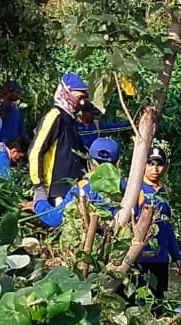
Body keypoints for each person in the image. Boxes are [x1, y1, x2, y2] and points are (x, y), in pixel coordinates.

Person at [126, 146, 181, 300]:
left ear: (165, 167)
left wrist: (177, 256)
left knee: (158, 302)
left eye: (159, 164)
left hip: (161, 260)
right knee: (136, 301)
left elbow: (167, 228)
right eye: (150, 163)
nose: (155, 168)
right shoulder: (136, 190)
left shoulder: (163, 192)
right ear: (143, 165)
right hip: (140, 258)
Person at [31, 137, 120, 228]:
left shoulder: (84, 189)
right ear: (118, 163)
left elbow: (56, 218)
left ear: (89, 162)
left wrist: (39, 203)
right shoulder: (127, 187)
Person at [28, 73, 90, 202]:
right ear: (66, 93)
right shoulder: (55, 117)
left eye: (84, 98)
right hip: (56, 191)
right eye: (79, 98)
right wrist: (39, 186)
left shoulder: (71, 120)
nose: (82, 102)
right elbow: (35, 151)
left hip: (72, 189)